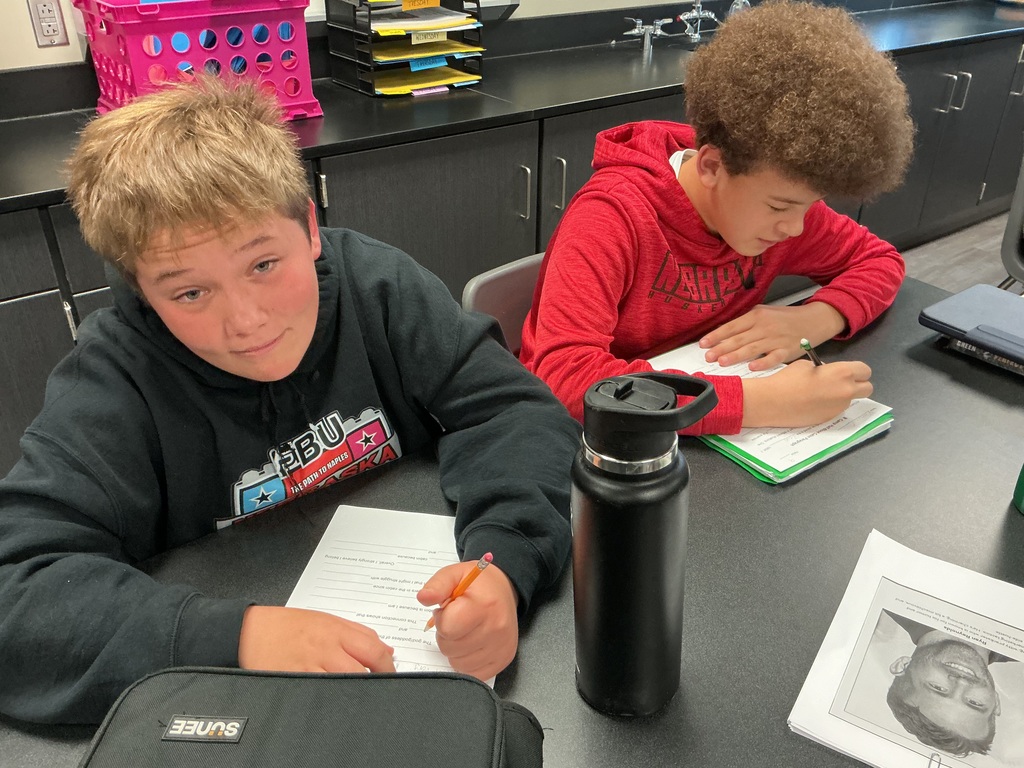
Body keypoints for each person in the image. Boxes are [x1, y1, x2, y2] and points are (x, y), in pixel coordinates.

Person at [0, 77, 580, 725]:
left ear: (308, 227)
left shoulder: (378, 287)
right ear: (141, 289)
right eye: (190, 293)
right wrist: (235, 638)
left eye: (263, 265)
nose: (246, 322)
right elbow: (17, 594)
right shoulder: (114, 381)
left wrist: (502, 562)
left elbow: (510, 410)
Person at [520, 0, 915, 435]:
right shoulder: (612, 217)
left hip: (686, 421)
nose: (795, 228)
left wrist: (814, 320)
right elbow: (566, 377)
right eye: (781, 207)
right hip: (598, 436)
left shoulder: (776, 196)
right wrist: (759, 404)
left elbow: (879, 260)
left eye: (811, 204)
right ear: (711, 166)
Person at [884, 610, 1015, 756]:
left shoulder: (896, 601)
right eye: (974, 702)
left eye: (938, 688)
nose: (961, 683)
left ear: (904, 665)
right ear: (996, 702)